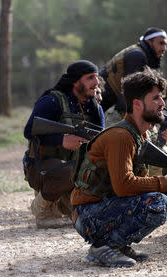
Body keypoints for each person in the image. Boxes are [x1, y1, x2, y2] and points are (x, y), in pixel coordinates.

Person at [70, 67, 167, 268]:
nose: (162, 104)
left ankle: (120, 245)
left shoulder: (141, 134)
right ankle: (104, 247)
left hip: (104, 206)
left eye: (161, 98)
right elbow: (124, 185)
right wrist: (163, 183)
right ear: (137, 104)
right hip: (88, 214)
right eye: (156, 98)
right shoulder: (121, 137)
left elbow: (139, 181)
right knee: (158, 203)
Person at [23, 60, 105, 229]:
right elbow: (29, 130)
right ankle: (42, 209)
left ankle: (62, 204)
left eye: (96, 78)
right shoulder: (52, 101)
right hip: (41, 167)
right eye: (90, 78)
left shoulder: (95, 107)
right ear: (76, 82)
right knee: (72, 172)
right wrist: (61, 140)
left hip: (73, 167)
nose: (96, 83)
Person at [99, 27, 167, 122]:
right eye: (161, 43)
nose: (164, 48)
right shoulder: (137, 55)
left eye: (166, 45)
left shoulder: (140, 52)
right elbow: (129, 91)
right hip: (102, 104)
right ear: (149, 41)